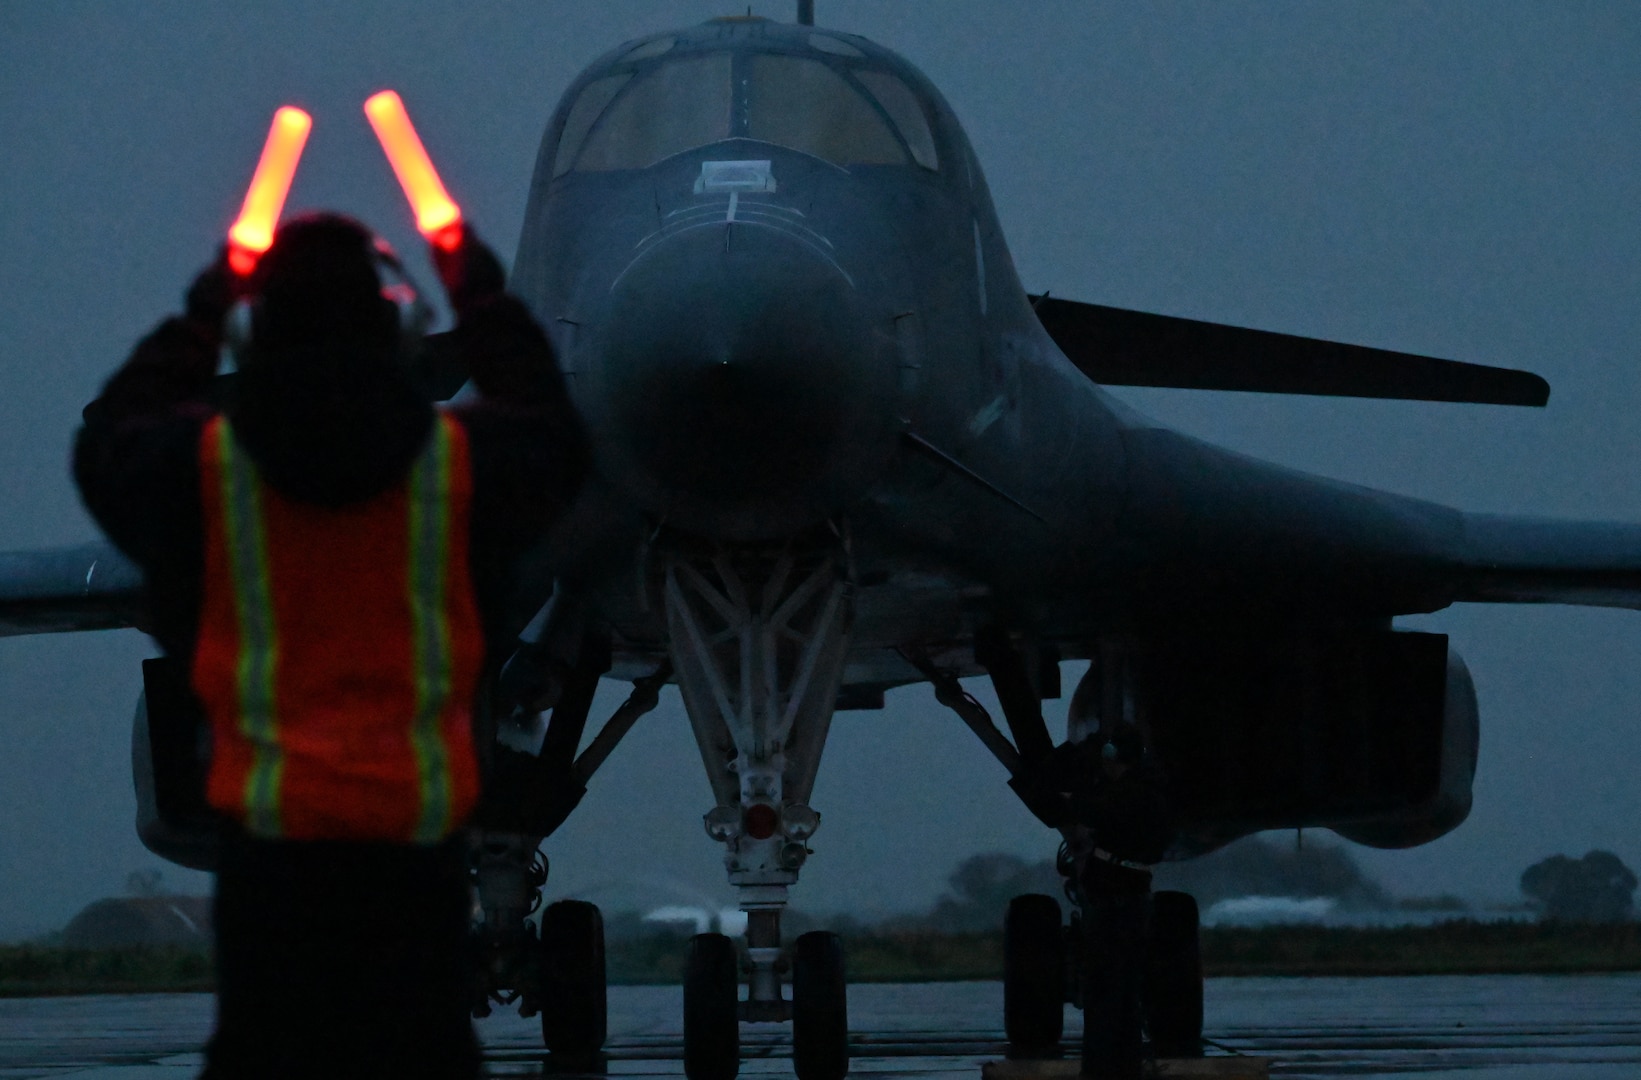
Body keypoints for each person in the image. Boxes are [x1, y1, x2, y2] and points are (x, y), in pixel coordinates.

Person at [73, 212, 586, 1078]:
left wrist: (203, 318)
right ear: (404, 329)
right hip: (411, 876)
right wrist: (480, 293)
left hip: (271, 877)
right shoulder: (464, 470)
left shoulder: (203, 473)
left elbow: (109, 438)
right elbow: (553, 432)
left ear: (252, 332)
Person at [1037, 725, 1175, 1080]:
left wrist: (1069, 801)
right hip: (1128, 898)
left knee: (1106, 989)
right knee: (1125, 988)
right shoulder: (1151, 792)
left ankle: (1103, 1067)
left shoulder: (1133, 796)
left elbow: (1104, 813)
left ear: (1116, 757)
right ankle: (1124, 1064)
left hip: (1115, 902)